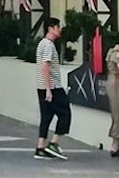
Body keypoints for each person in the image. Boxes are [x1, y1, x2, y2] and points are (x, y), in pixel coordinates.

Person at [35, 17, 70, 160]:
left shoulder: (42, 43)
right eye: (58, 26)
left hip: (41, 86)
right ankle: (53, 143)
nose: (60, 29)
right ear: (51, 28)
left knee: (46, 117)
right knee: (65, 113)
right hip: (53, 87)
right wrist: (49, 89)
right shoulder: (49, 45)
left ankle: (40, 147)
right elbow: (45, 66)